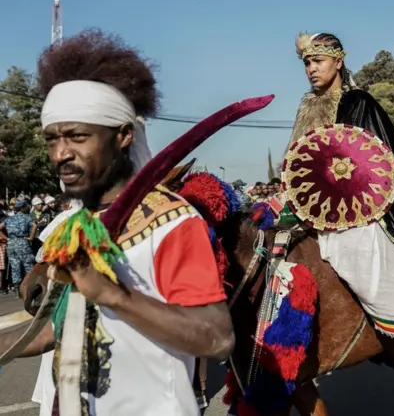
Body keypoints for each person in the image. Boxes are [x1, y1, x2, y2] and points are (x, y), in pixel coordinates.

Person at [0, 29, 234, 415]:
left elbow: (217, 337)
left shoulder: (172, 222)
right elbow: (57, 330)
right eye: (52, 139)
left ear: (124, 136)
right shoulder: (75, 226)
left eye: (77, 136)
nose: (60, 154)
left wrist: (114, 297)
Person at [288, 32, 394, 393]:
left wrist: (344, 200)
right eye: (306, 63)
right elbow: (302, 164)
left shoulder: (358, 101)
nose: (311, 69)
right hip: (315, 209)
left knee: (357, 254)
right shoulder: (305, 107)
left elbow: (375, 165)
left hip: (359, 209)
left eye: (318, 60)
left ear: (338, 61)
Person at [1, 199, 36, 294]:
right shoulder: (27, 217)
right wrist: (31, 237)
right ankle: (30, 285)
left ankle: (17, 287)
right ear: (23, 207)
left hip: (11, 243)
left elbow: (0, 227)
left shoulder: (9, 218)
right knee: (28, 263)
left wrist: (7, 238)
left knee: (14, 265)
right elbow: (34, 226)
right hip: (23, 241)